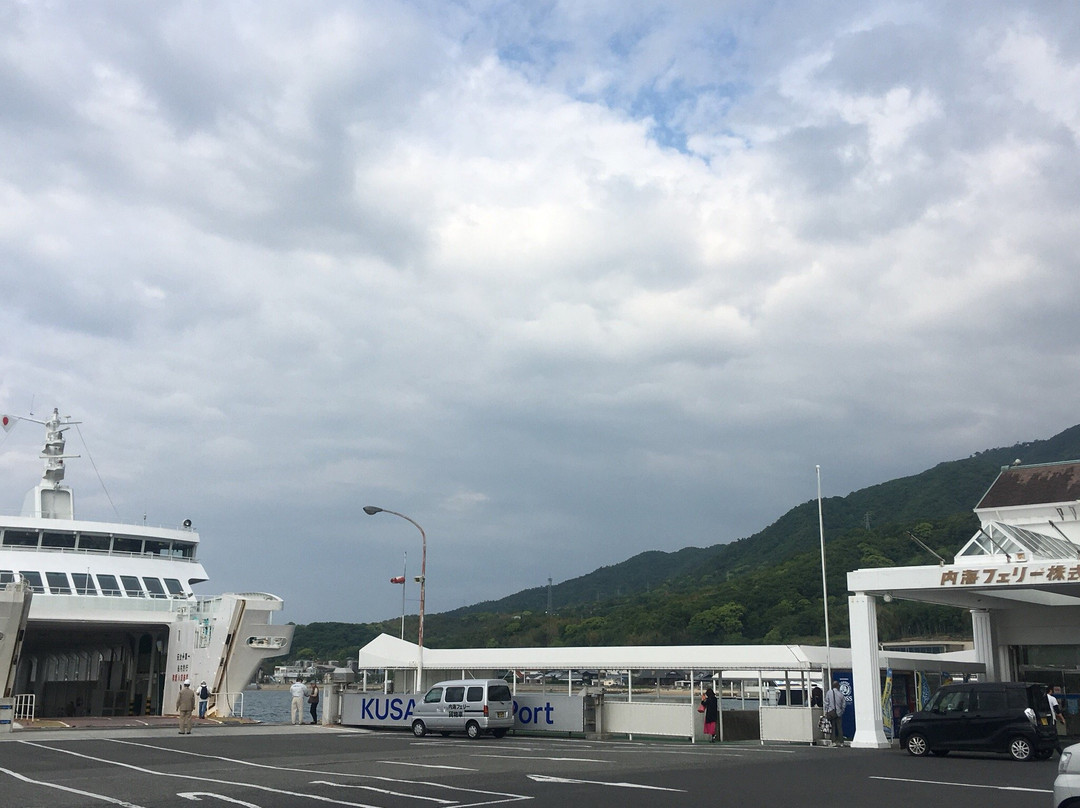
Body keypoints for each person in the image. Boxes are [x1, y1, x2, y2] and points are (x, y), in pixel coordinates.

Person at [823, 679, 846, 747]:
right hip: (838, 713)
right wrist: (841, 711)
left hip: (831, 712)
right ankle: (841, 742)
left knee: (832, 727)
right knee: (839, 727)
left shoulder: (829, 693)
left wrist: (826, 711)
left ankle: (833, 741)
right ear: (838, 686)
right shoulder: (841, 694)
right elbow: (844, 704)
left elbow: (826, 703)